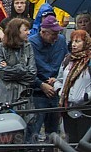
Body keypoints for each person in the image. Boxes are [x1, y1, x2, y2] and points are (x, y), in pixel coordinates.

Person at [28, 14, 68, 143]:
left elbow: (65, 63)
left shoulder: (61, 40)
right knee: (34, 131)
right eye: (53, 34)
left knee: (53, 133)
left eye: (57, 34)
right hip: (38, 92)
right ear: (43, 32)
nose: (56, 38)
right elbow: (27, 70)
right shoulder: (31, 43)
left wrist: (57, 80)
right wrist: (40, 84)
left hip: (55, 90)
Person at [53, 29, 91, 143]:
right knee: (71, 141)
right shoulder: (67, 59)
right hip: (67, 108)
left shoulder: (89, 61)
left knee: (84, 142)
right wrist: (59, 90)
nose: (73, 44)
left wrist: (87, 96)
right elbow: (59, 79)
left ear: (86, 43)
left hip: (86, 109)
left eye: (78, 41)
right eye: (72, 41)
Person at [0, 17, 36, 102]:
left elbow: (32, 74)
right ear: (16, 31)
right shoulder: (0, 48)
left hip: (24, 95)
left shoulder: (28, 46)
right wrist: (23, 69)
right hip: (6, 94)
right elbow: (3, 74)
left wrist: (9, 68)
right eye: (25, 30)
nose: (29, 33)